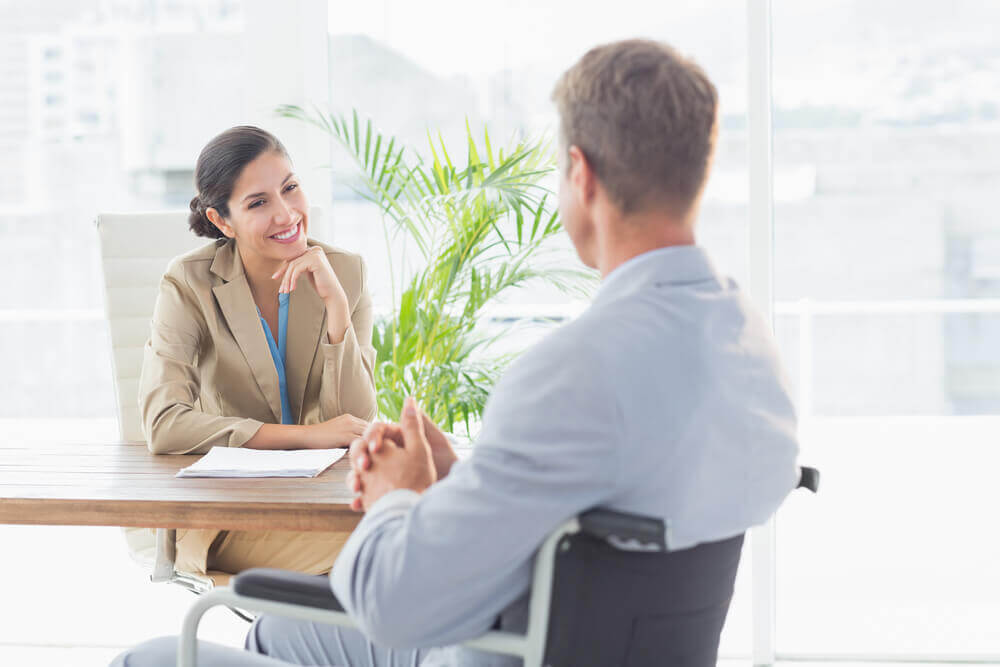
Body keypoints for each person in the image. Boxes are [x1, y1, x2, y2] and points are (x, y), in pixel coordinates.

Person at [113, 38, 800, 666]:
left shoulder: (568, 373)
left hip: (479, 644)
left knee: (149, 656)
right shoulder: (752, 350)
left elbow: (394, 601)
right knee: (276, 633)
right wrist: (451, 482)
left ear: (580, 176)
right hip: (539, 632)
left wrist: (397, 497)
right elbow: (593, 516)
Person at [137, 126, 378, 579]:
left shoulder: (345, 271)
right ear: (223, 221)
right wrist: (304, 437)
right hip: (224, 514)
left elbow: (352, 421)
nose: (287, 214)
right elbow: (163, 423)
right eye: (258, 203)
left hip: (319, 502)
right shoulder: (189, 283)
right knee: (387, 543)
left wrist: (337, 308)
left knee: (398, 530)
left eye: (290, 188)